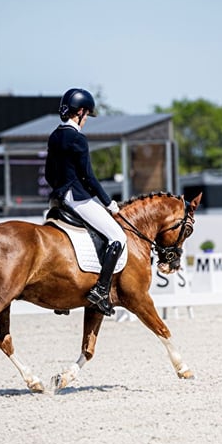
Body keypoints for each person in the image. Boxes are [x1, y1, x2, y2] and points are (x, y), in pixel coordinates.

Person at [45, 88, 126, 316]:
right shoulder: (78, 138)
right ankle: (101, 290)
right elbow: (88, 177)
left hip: (58, 199)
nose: (87, 119)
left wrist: (60, 191)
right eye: (87, 115)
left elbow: (49, 174)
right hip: (77, 198)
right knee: (117, 236)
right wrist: (108, 202)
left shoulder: (55, 136)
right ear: (80, 112)